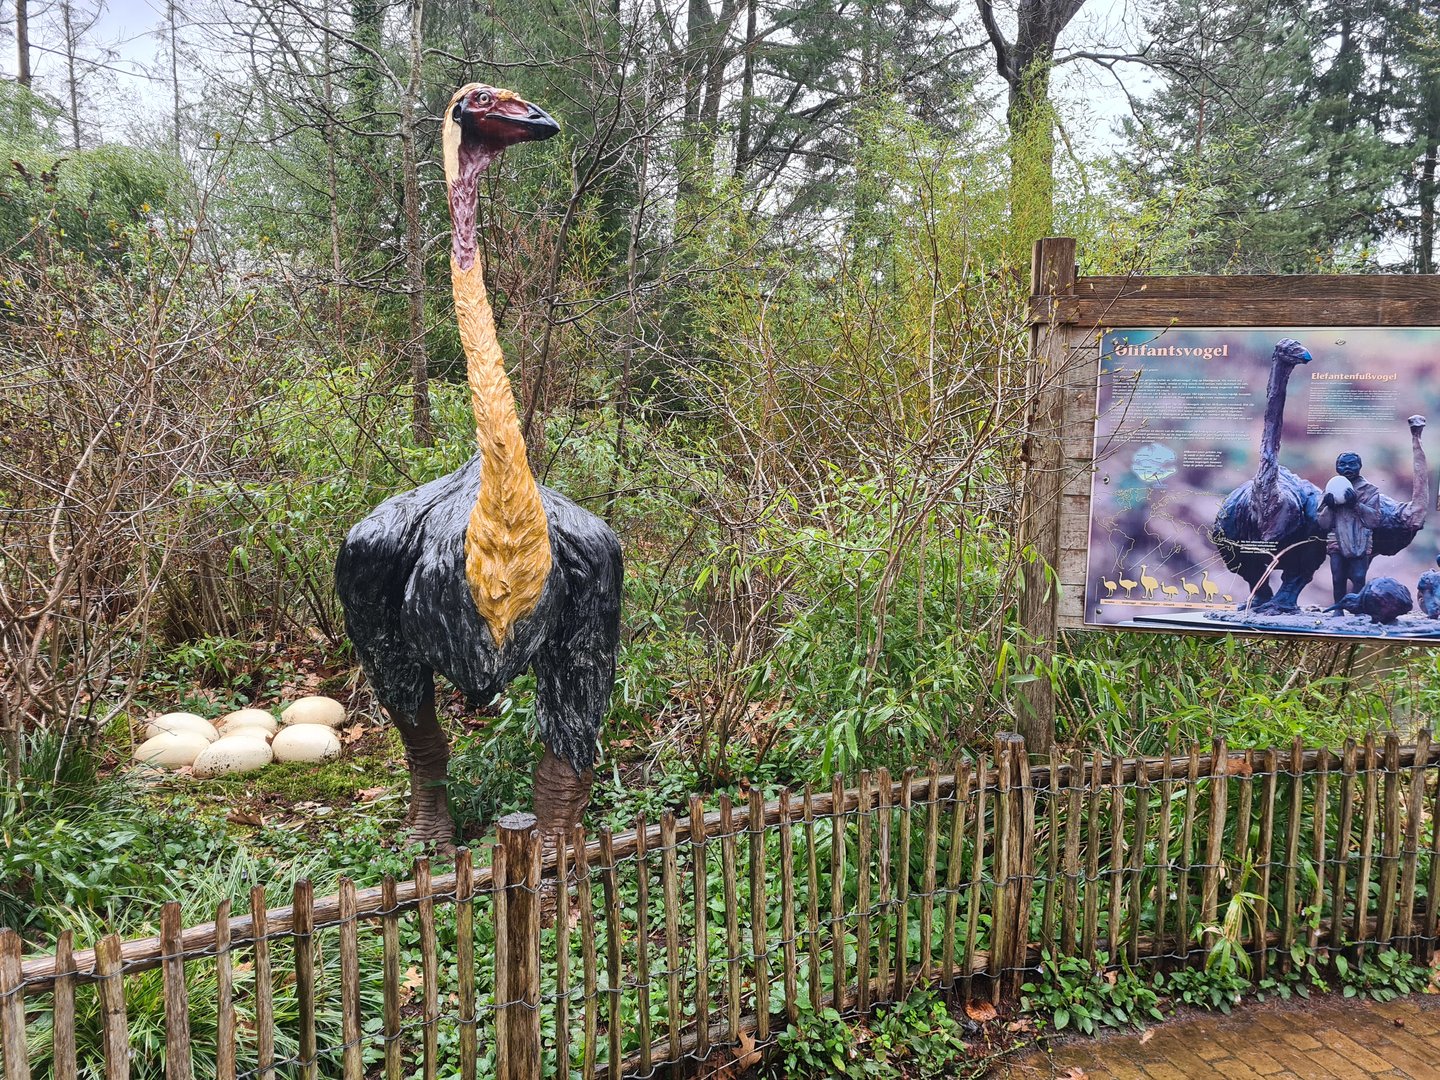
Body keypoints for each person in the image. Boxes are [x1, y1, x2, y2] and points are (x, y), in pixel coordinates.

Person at [1317, 453, 1385, 605]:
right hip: (1337, 538)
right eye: (1343, 464)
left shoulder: (1369, 490)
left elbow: (1374, 520)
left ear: (1360, 466)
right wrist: (1330, 507)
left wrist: (1355, 504)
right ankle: (1338, 608)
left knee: (1359, 576)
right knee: (1337, 576)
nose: (1347, 468)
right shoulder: (1330, 489)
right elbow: (1322, 523)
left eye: (1352, 464)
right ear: (1336, 467)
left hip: (1360, 537)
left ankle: (1358, 607)